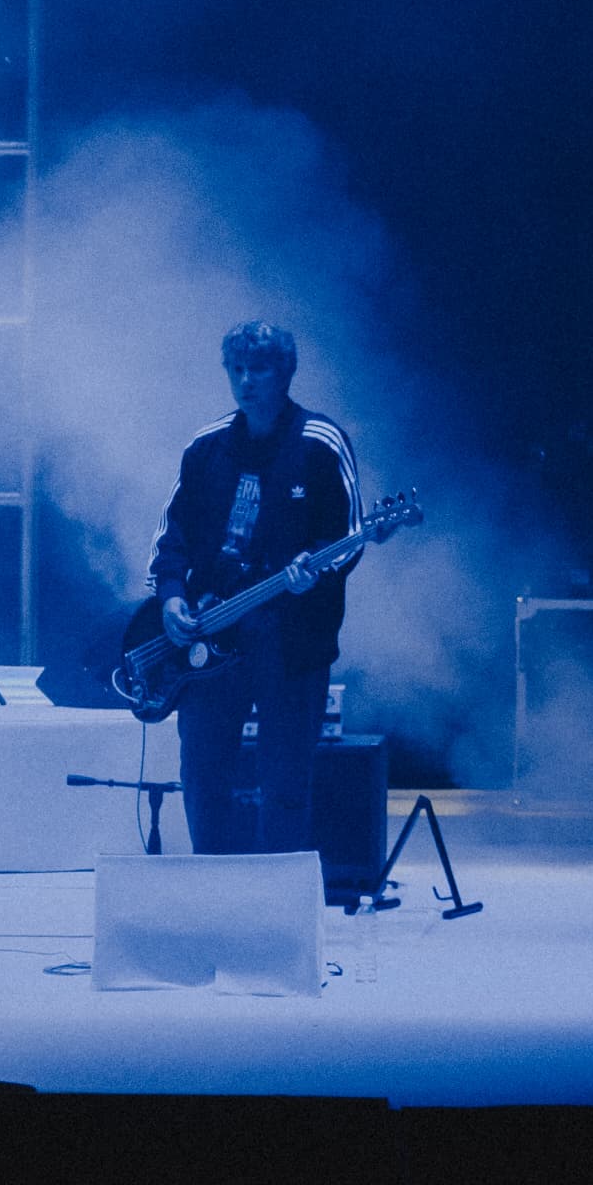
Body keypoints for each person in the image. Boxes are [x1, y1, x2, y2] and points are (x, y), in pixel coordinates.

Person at [147, 321, 365, 855]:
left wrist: (314, 572)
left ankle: (280, 903)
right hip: (211, 637)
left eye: (259, 369)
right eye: (236, 369)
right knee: (201, 773)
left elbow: (350, 537)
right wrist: (172, 594)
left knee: (286, 781)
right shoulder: (205, 448)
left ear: (284, 373)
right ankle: (210, 890)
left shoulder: (319, 444)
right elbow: (171, 535)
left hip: (292, 645)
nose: (246, 381)